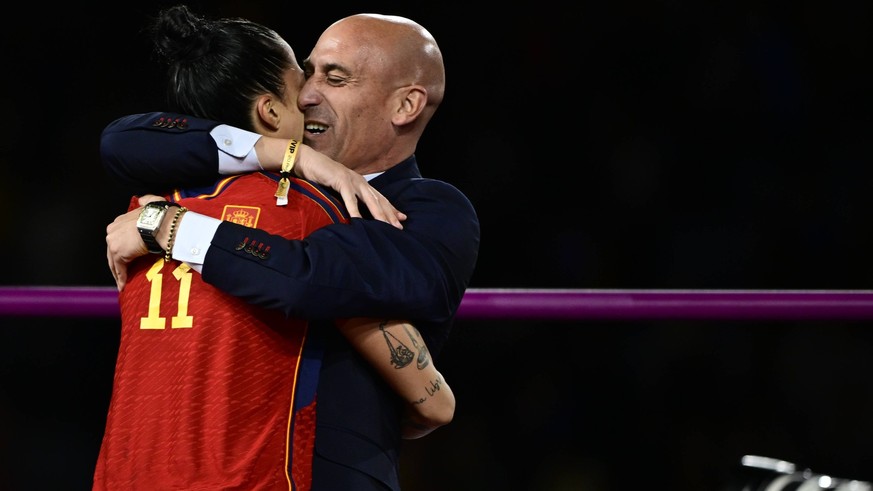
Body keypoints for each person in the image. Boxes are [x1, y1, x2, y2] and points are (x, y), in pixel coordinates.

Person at [103, 12, 480, 490]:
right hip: (194, 462)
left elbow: (308, 277)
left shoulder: (428, 209)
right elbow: (122, 140)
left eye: (335, 78)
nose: (306, 94)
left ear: (405, 105)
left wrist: (172, 226)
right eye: (308, 73)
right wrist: (287, 154)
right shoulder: (250, 182)